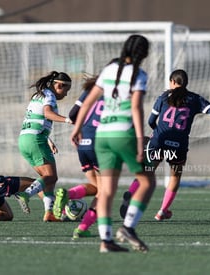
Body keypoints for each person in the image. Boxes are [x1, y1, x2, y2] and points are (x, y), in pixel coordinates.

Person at [70, 34, 156, 253]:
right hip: (122, 134)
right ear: (143, 54)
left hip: (102, 136)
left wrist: (77, 128)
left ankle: (106, 241)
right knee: (147, 182)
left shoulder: (108, 71)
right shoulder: (138, 74)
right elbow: (136, 108)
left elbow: (88, 101)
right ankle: (128, 226)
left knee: (106, 191)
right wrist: (139, 140)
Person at [147, 69, 210, 221]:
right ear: (186, 83)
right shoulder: (195, 99)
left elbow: (150, 122)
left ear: (172, 82)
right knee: (175, 176)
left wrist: (156, 132)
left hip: (159, 140)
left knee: (146, 171)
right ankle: (162, 211)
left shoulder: (164, 96)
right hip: (178, 145)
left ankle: (132, 196)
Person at [17, 71, 73, 222]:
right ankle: (26, 194)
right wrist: (68, 120)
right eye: (66, 90)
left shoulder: (38, 95)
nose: (66, 95)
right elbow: (47, 114)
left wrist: (48, 140)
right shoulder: (49, 96)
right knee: (51, 176)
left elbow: (36, 118)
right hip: (36, 140)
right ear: (59, 85)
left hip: (25, 140)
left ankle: (49, 213)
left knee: (48, 179)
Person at [52, 74, 101, 238]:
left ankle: (68, 194)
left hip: (82, 143)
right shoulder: (116, 94)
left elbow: (72, 114)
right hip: (101, 144)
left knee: (97, 187)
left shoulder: (88, 92)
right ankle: (84, 227)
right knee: (104, 191)